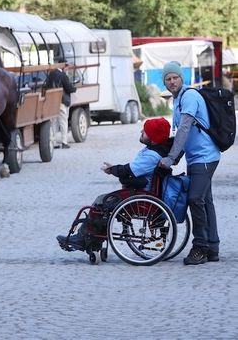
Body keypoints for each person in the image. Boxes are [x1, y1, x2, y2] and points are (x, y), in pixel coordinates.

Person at [56, 117, 172, 251]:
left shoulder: (151, 155)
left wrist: (112, 170)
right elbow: (131, 168)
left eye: (145, 131)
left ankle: (85, 239)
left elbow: (130, 170)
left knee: (101, 202)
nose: (141, 131)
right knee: (105, 201)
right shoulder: (154, 151)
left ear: (153, 138)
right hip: (141, 192)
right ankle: (93, 239)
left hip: (141, 198)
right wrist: (115, 168)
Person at [158, 61, 220, 265]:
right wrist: (172, 157)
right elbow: (180, 135)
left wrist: (171, 158)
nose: (172, 81)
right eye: (168, 79)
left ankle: (200, 248)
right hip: (195, 158)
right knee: (205, 200)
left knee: (195, 199)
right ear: (164, 82)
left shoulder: (190, 96)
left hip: (205, 157)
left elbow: (184, 129)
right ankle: (212, 247)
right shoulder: (176, 101)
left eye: (175, 77)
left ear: (181, 78)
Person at [45, 59, 76, 148]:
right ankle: (64, 142)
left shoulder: (50, 74)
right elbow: (69, 88)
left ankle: (53, 142)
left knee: (54, 122)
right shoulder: (63, 75)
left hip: (53, 102)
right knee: (63, 122)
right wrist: (74, 89)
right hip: (62, 101)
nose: (67, 69)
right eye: (67, 67)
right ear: (63, 66)